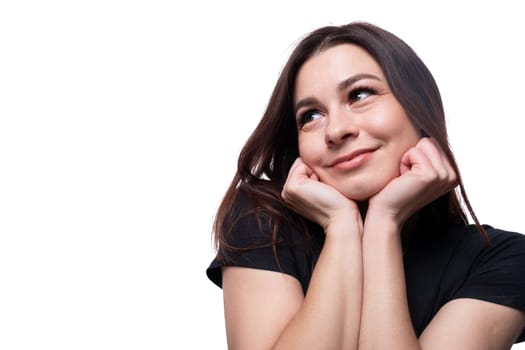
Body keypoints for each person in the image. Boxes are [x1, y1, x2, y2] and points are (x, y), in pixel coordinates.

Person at [206, 22, 525, 349]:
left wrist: (382, 224)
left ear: (419, 109)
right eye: (311, 115)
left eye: (360, 95)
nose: (335, 130)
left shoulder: (504, 259)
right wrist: (340, 226)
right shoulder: (263, 221)